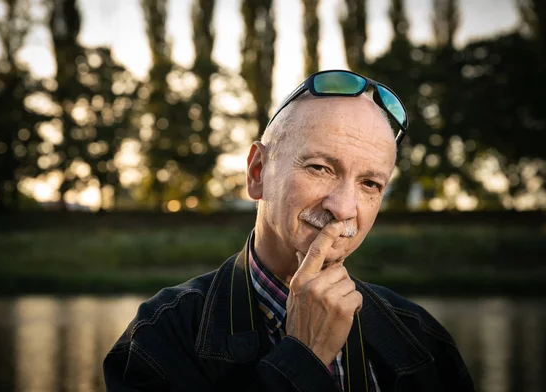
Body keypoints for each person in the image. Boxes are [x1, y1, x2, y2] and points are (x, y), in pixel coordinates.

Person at [103, 70, 475, 391]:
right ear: (257, 173)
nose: (343, 208)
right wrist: (303, 357)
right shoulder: (162, 335)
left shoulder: (421, 337)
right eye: (319, 168)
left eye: (370, 184)